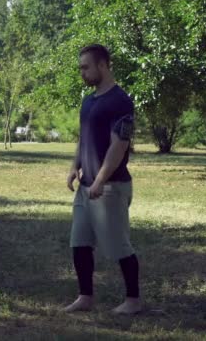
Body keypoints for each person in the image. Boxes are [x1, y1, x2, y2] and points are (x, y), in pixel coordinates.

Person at [64, 44, 141, 314]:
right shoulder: (89, 101)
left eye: (86, 67)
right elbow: (84, 139)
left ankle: (133, 301)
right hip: (87, 186)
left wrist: (100, 180)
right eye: (80, 68)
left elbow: (118, 146)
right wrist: (75, 167)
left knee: (119, 245)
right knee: (79, 243)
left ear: (103, 65)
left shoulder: (120, 101)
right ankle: (85, 297)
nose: (82, 73)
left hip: (110, 186)